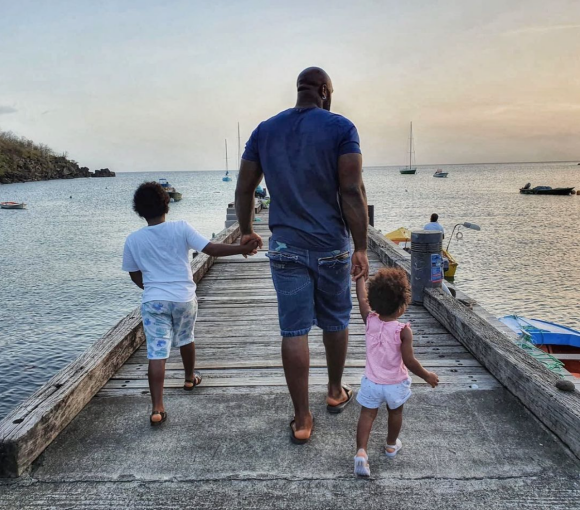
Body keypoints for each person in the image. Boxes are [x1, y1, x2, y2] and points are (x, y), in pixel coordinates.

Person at [235, 67, 369, 444]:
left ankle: (302, 418)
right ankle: (334, 389)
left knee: (294, 331)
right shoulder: (342, 128)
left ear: (299, 90)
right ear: (325, 91)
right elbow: (351, 190)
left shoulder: (265, 130)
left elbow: (245, 188)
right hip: (331, 245)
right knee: (336, 320)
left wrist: (247, 230)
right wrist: (360, 246)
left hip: (285, 247)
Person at [122, 182, 258, 425]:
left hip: (154, 301)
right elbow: (212, 249)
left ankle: (157, 408)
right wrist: (241, 248)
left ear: (139, 211)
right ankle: (189, 377)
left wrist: (152, 288)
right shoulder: (181, 228)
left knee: (157, 352)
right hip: (183, 297)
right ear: (167, 205)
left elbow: (134, 273)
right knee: (186, 337)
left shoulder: (133, 240)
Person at [353, 268, 439, 477]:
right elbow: (409, 361)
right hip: (394, 384)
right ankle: (391, 445)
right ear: (401, 307)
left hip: (372, 382)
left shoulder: (370, 320)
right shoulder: (403, 331)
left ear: (374, 302)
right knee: (395, 412)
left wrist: (360, 279)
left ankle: (361, 453)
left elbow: (362, 301)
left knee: (367, 414)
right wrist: (427, 375)